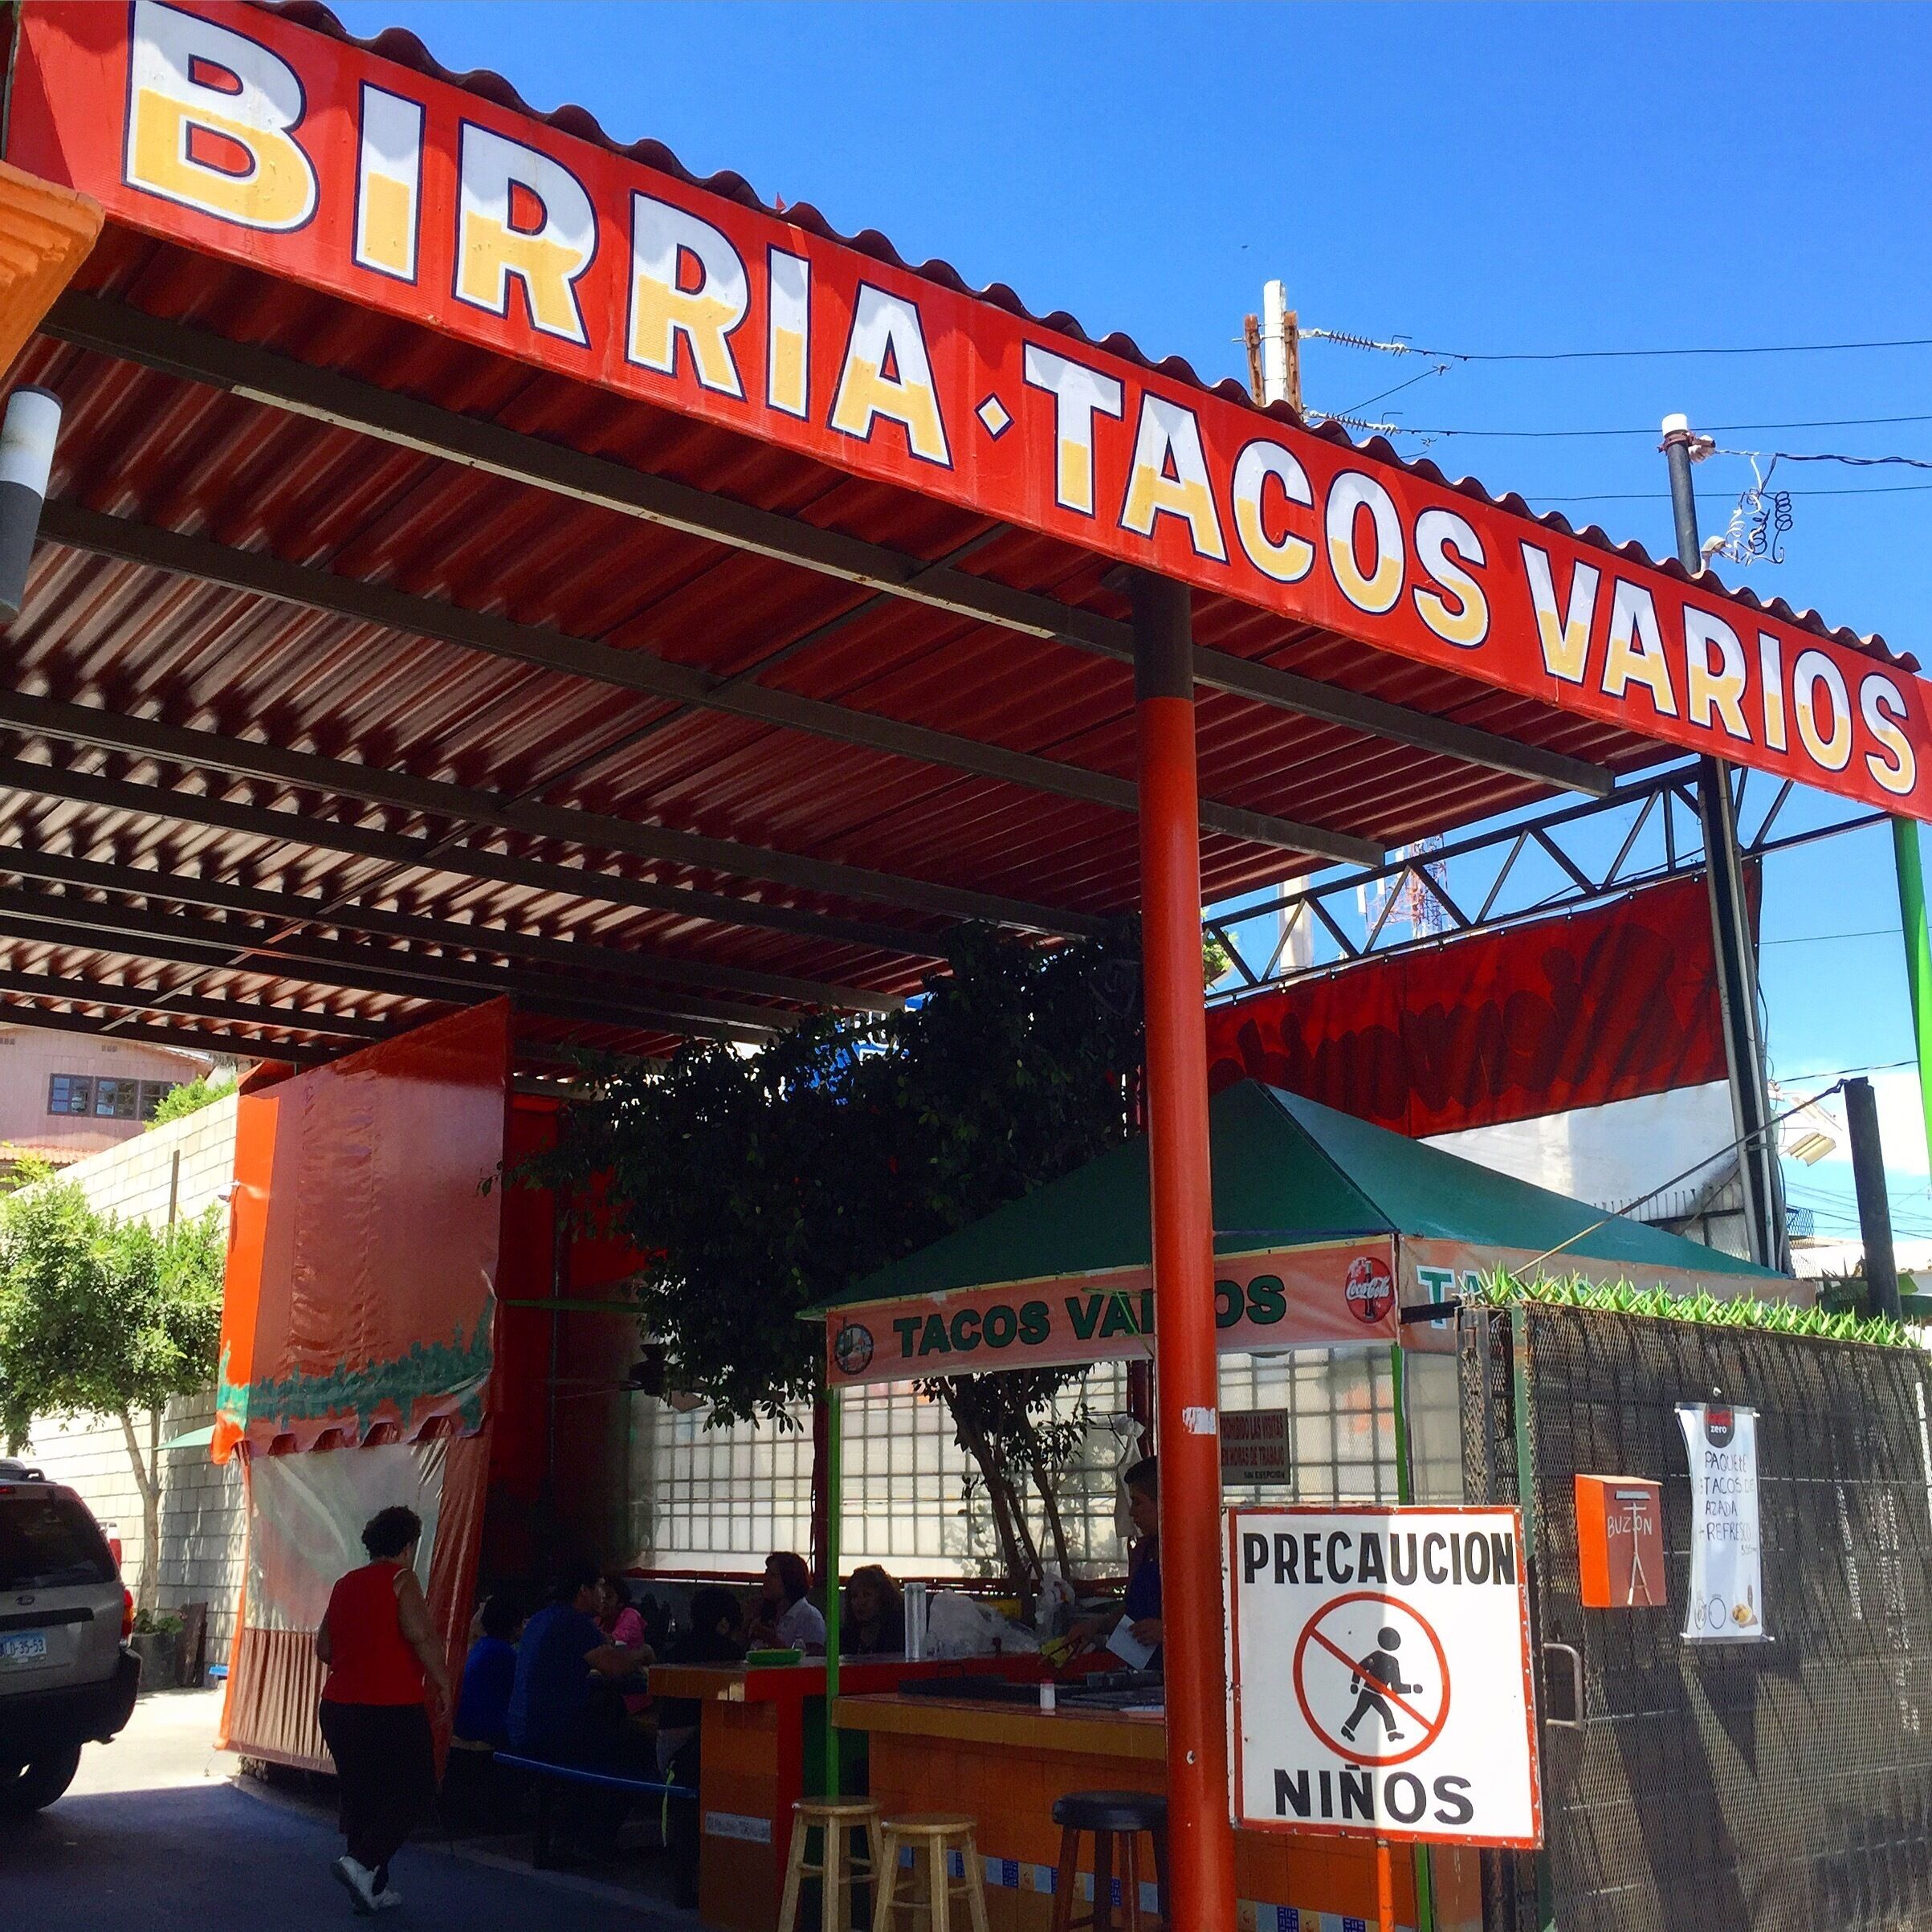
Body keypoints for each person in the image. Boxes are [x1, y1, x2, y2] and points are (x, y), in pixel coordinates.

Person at [315, 1505, 452, 1916]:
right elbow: (422, 1635)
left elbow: (324, 1648)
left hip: (338, 1706)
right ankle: (361, 1864)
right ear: (409, 1546)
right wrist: (443, 1682)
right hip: (391, 1705)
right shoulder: (402, 1579)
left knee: (363, 1794)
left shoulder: (345, 1583)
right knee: (417, 1786)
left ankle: (370, 1887)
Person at [507, 1555, 654, 1768]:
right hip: (550, 1733)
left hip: (520, 1728)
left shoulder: (541, 1618)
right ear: (585, 1590)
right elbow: (616, 1668)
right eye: (599, 1587)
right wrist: (644, 1652)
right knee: (638, 1746)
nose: (601, 1595)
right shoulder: (575, 1622)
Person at [655, 1587, 748, 1909]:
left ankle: (687, 1874)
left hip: (666, 1749)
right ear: (724, 1624)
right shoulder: (729, 1654)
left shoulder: (678, 1648)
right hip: (691, 1753)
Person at [1072, 1457, 1163, 1665]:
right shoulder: (1142, 1551)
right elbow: (1131, 1608)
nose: (1131, 1512)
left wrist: (1168, 1632)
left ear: (1163, 1500)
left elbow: (1222, 1621)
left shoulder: (1197, 1555)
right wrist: (1095, 1625)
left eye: (1138, 1502)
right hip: (1137, 1672)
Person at [454, 1592, 524, 1749]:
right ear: (515, 1627)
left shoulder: (480, 1647)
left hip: (462, 1726)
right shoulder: (505, 1655)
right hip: (486, 1731)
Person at [748, 1551, 825, 1653]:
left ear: (790, 1581)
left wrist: (770, 1639)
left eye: (773, 1576)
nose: (765, 1579)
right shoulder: (765, 1613)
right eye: (766, 1573)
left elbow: (810, 1663)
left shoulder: (810, 1618)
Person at [842, 1564, 906, 1657]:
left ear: (883, 1598)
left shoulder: (897, 1635)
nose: (860, 1602)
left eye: (866, 1595)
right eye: (854, 1596)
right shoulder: (847, 1637)